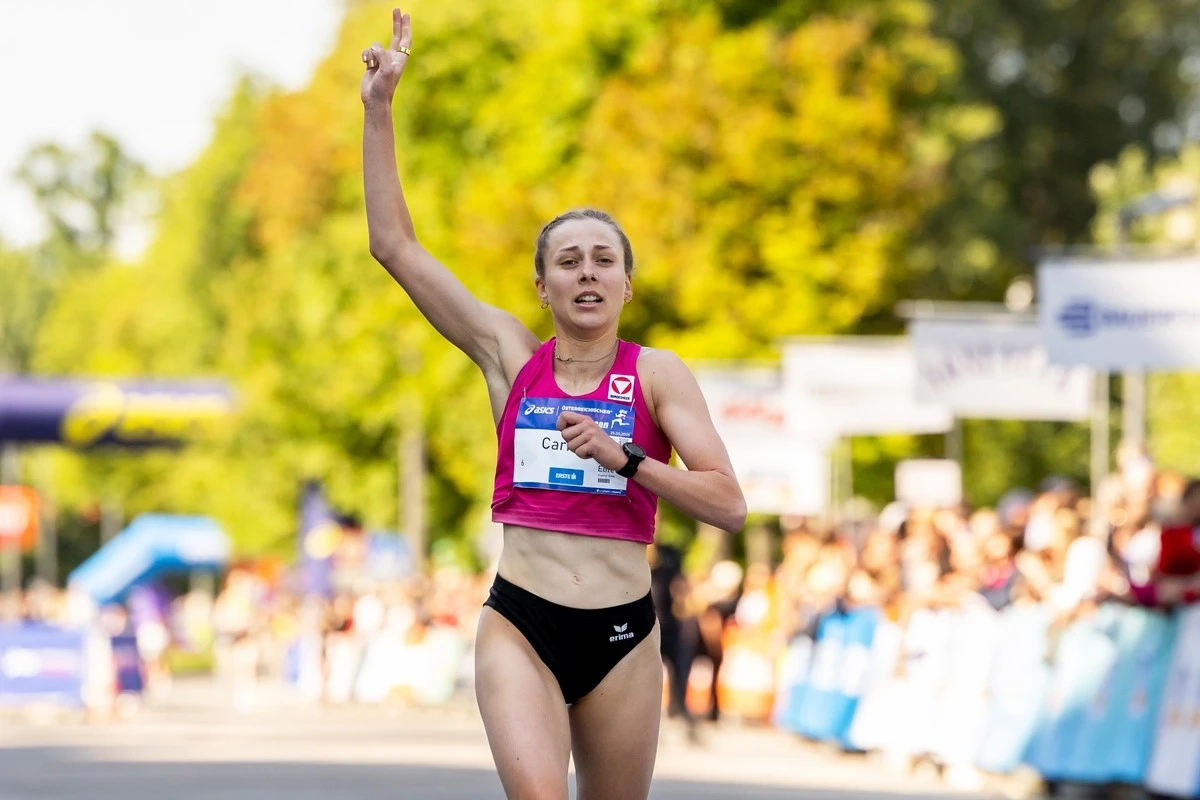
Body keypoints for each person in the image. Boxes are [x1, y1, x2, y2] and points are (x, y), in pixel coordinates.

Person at [360, 11, 747, 800]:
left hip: (623, 632)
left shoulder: (658, 376)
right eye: (568, 262)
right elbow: (394, 247)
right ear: (544, 285)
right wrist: (378, 108)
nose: (587, 273)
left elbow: (730, 506)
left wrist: (630, 461)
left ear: (627, 284)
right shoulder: (509, 354)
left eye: (604, 260)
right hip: (522, 623)